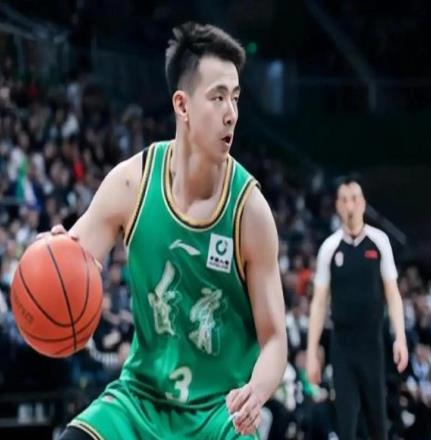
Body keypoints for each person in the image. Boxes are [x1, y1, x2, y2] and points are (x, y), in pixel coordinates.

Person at [50, 22, 287, 440]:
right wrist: (50, 256)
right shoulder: (132, 184)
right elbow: (73, 259)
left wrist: (258, 390)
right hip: (139, 402)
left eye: (235, 97)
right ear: (182, 104)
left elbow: (275, 340)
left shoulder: (250, 212)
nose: (231, 113)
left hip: (219, 415)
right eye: (217, 97)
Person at [306, 178, 408, 440]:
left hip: (373, 345)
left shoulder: (379, 241)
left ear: (362, 203)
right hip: (342, 348)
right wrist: (311, 352)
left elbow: (393, 293)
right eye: (344, 199)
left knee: (378, 425)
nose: (349, 204)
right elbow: (319, 303)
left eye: (354, 198)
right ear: (337, 206)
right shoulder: (329, 248)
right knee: (346, 426)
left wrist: (400, 337)